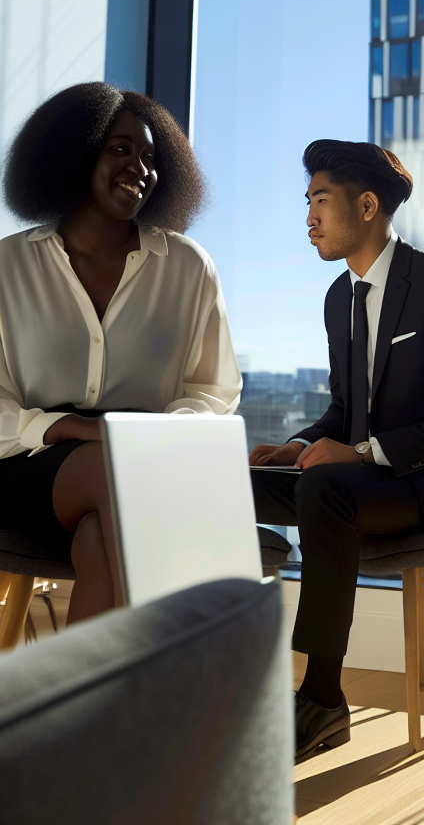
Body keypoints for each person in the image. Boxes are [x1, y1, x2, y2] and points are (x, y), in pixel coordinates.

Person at [250, 139, 424, 762]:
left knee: (326, 488)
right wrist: (297, 446)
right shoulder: (341, 298)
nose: (308, 218)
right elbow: (344, 410)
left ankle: (322, 697)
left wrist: (360, 454)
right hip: (361, 482)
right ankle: (220, 662)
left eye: (319, 201)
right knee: (231, 480)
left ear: (367, 206)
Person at [0, 82, 241, 624]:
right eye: (121, 149)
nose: (141, 168)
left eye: (152, 158)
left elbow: (213, 390)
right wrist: (63, 427)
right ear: (76, 151)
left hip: (141, 455)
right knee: (125, 475)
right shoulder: (7, 267)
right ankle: (206, 680)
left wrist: (156, 434)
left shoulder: (188, 267)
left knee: (101, 535)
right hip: (23, 458)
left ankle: (94, 705)